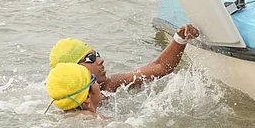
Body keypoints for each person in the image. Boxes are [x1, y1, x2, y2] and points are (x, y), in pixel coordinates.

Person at [48, 24, 199, 93]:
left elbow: (160, 67)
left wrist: (180, 39)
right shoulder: (73, 111)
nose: (100, 60)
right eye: (91, 58)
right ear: (73, 70)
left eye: (97, 55)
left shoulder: (108, 85)